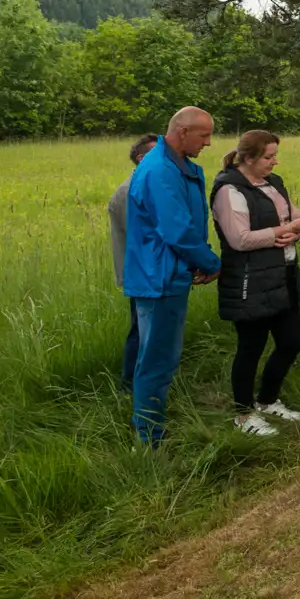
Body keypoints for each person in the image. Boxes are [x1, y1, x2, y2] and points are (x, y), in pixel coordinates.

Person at [122, 107, 221, 447]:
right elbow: (177, 230)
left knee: (159, 357)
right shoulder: (160, 171)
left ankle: (149, 426)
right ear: (182, 132)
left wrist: (198, 261)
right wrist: (212, 263)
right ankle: (150, 440)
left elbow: (189, 222)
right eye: (203, 135)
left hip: (169, 273)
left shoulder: (180, 168)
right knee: (156, 360)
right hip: (158, 278)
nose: (208, 143)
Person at [209, 130, 300, 437]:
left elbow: (292, 216)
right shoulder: (229, 190)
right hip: (249, 280)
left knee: (293, 339)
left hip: (283, 273)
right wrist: (280, 232)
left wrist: (295, 229)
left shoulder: (273, 183)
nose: (274, 162)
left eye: (275, 155)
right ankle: (243, 416)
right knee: (250, 347)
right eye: (268, 157)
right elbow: (238, 240)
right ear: (249, 158)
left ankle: (267, 400)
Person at [110, 132, 160, 390]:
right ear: (141, 158)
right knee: (140, 331)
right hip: (142, 273)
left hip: (151, 272)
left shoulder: (148, 186)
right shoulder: (131, 191)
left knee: (149, 330)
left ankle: (145, 381)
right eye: (156, 152)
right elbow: (143, 237)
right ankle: (129, 385)